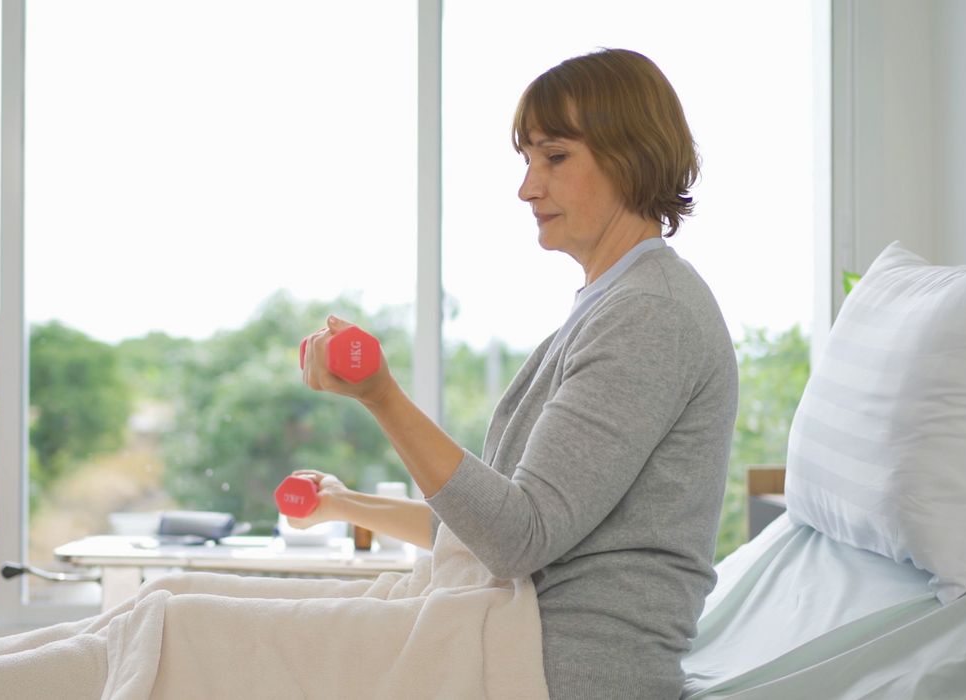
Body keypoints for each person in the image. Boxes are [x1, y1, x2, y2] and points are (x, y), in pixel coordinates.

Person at [296, 47, 738, 700]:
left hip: (564, 670)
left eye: (554, 158)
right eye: (527, 161)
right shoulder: (613, 304)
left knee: (173, 626)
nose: (528, 187)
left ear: (631, 154)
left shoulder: (649, 313)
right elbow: (478, 528)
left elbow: (515, 537)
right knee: (170, 605)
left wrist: (382, 396)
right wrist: (339, 503)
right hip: (518, 644)